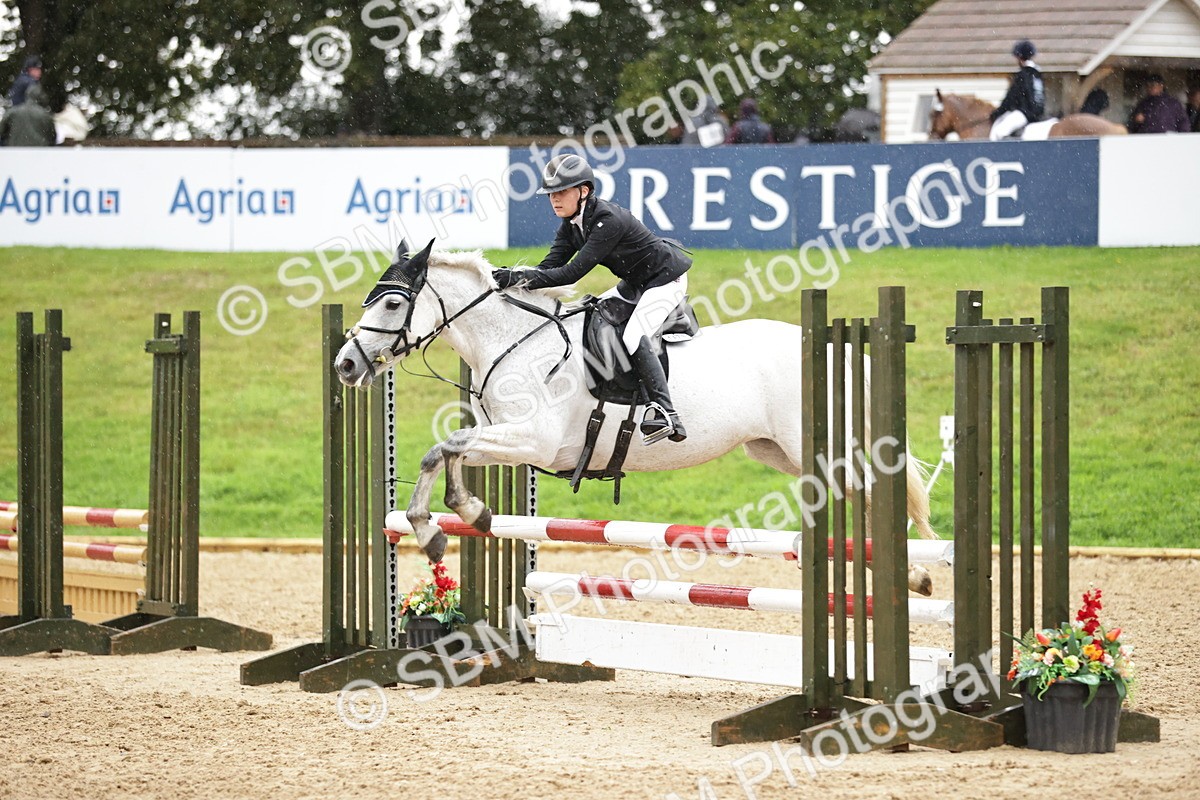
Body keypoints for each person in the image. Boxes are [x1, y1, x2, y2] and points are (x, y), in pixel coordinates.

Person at [492, 154, 692, 444]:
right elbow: (548, 267)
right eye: (551, 194)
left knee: (634, 335)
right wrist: (514, 277)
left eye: (561, 192)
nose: (554, 200)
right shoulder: (572, 224)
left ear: (583, 191)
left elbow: (571, 273)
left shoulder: (606, 221)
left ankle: (665, 411)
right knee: (590, 312)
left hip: (664, 279)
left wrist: (515, 278)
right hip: (635, 283)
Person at [989, 40, 1045, 140]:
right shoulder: (1037, 73)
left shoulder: (1023, 74)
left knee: (999, 132)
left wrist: (997, 113)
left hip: (1025, 113)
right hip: (1040, 113)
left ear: (1020, 57)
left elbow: (1011, 98)